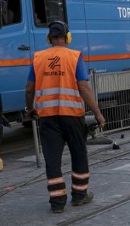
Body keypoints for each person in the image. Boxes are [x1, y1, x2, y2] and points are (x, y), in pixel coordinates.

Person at [25, 21, 105, 213]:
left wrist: (31, 108)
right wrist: (97, 113)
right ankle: (79, 195)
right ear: (68, 37)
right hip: (72, 116)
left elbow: (29, 88)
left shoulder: (38, 58)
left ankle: (57, 202)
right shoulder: (74, 56)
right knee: (78, 154)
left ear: (49, 38)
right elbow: (83, 88)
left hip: (48, 118)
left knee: (52, 159)